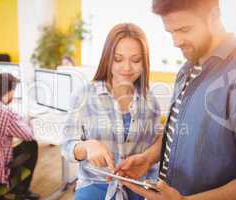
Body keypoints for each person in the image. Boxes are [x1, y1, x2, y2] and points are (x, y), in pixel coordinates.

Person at [115, 0, 236, 199]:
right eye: (171, 32)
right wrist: (148, 158)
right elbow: (177, 129)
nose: (176, 41)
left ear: (213, 17)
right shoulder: (186, 70)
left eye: (184, 29)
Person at [61, 23, 162, 200]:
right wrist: (86, 147)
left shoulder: (150, 101)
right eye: (118, 59)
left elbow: (154, 148)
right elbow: (66, 147)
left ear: (144, 61)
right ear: (107, 58)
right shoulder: (84, 95)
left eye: (136, 60)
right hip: (94, 186)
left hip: (137, 189)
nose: (127, 68)